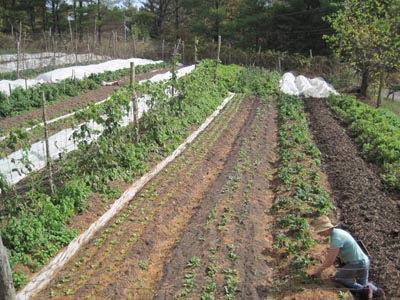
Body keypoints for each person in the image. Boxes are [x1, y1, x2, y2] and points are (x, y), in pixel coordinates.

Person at [311, 215, 386, 300]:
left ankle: (364, 290)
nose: (319, 234)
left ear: (325, 229)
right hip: (364, 261)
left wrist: (317, 272)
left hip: (356, 263)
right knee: (364, 284)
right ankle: (378, 293)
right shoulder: (338, 232)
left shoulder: (336, 238)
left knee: (338, 278)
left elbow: (330, 261)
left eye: (320, 231)